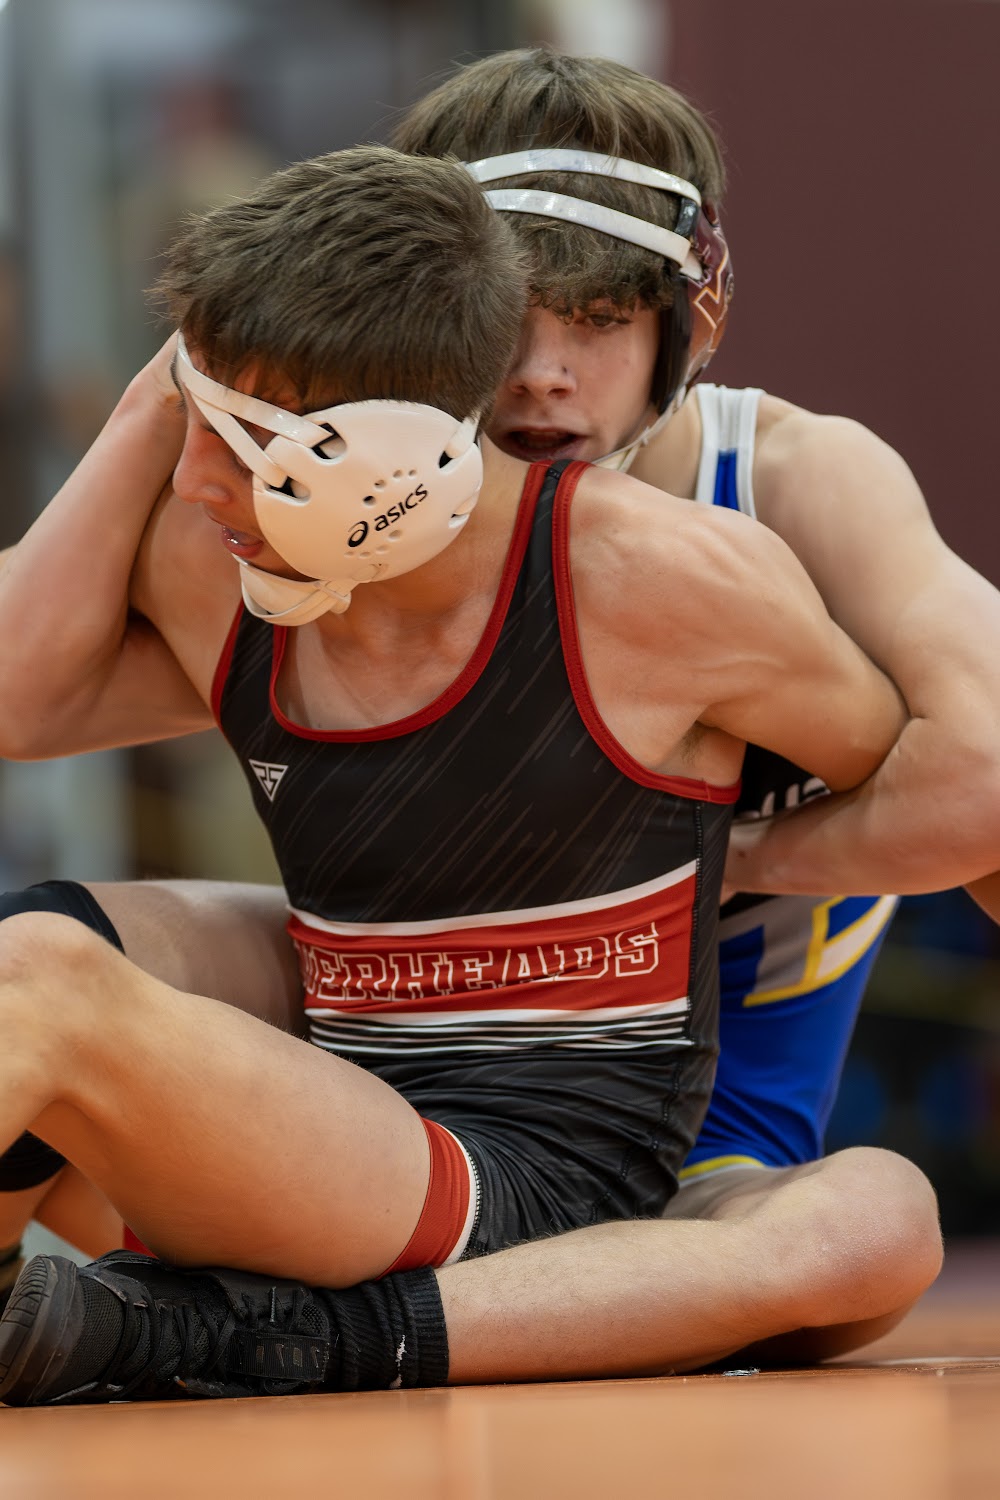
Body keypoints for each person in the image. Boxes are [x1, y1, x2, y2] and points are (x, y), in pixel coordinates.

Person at [0, 138, 917, 1405]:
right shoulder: (226, 566)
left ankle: (272, 1338)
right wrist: (159, 392)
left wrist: (750, 858)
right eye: (191, 420)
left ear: (388, 451)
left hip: (542, 1180)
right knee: (33, 940)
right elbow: (17, 697)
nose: (197, 476)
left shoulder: (669, 583)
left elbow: (934, 783)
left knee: (878, 1218)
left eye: (241, 437)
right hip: (327, 1109)